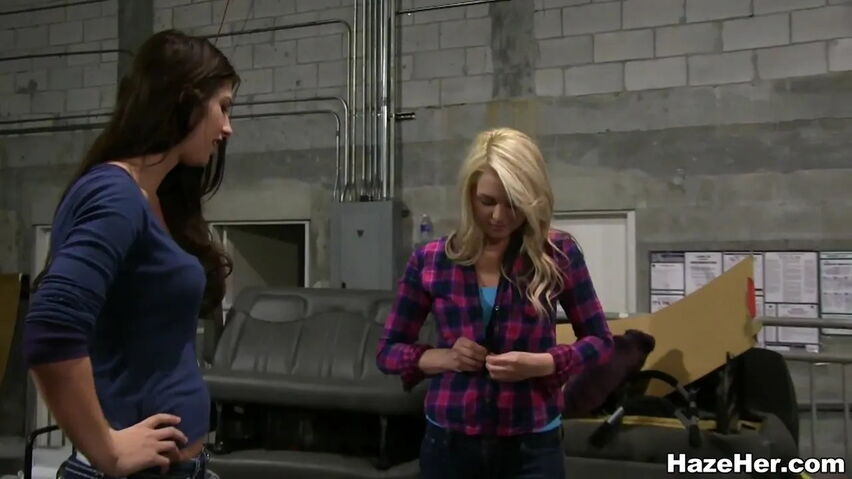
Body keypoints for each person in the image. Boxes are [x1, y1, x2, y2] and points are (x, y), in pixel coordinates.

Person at [22, 29, 239, 479]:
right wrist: (109, 451)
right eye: (223, 107)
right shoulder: (116, 195)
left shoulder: (155, 198)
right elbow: (52, 327)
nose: (227, 128)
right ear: (186, 102)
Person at [376, 127, 614, 478]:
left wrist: (544, 363)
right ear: (469, 195)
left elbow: (601, 342)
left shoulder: (558, 255)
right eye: (487, 202)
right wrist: (445, 358)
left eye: (513, 203)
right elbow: (388, 352)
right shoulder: (431, 260)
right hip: (449, 444)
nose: (499, 217)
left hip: (532, 445)